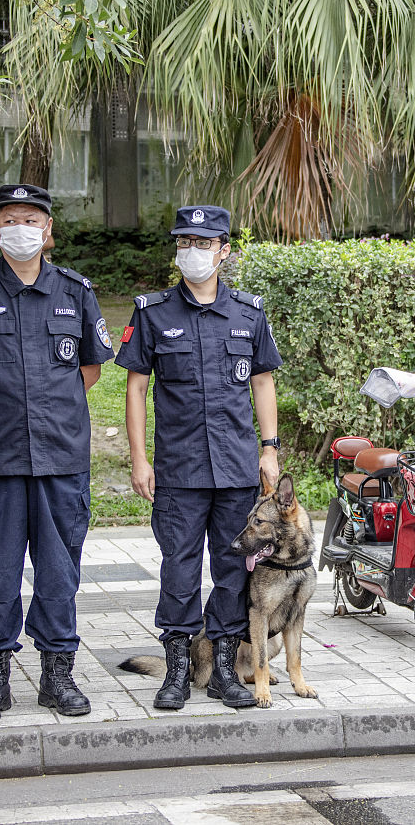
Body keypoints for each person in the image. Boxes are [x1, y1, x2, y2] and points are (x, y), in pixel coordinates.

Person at [0, 183, 115, 722]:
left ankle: (57, 677)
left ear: (48, 231)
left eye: (31, 220)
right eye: (10, 219)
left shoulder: (76, 292)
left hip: (61, 461)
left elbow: (89, 369)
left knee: (60, 575)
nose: (21, 228)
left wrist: (48, 414)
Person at [115, 205, 282, 711]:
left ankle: (228, 668)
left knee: (234, 569)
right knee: (179, 568)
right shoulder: (153, 313)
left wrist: (270, 449)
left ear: (224, 250)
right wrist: (140, 459)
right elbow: (137, 388)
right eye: (185, 241)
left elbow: (263, 381)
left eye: (204, 243)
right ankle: (177, 668)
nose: (193, 251)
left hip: (235, 468)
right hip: (179, 469)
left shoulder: (248, 313)